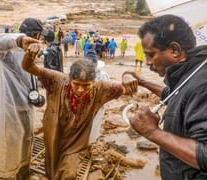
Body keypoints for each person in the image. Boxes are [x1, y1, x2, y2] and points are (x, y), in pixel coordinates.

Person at [126, 15, 207, 179]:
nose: (147, 62)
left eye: (150, 55)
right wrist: (143, 82)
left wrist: (153, 132)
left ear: (175, 50)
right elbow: (177, 96)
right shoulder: (193, 74)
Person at [21, 40, 138, 180]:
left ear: (93, 82)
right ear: (70, 78)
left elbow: (130, 88)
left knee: (69, 174)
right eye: (76, 84)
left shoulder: (102, 88)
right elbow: (29, 67)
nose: (80, 90)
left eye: (86, 85)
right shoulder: (57, 79)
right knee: (51, 167)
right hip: (54, 133)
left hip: (78, 141)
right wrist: (29, 54)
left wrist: (127, 75)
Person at [0, 17, 47, 179]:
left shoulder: (31, 52)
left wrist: (36, 94)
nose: (41, 38)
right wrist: (19, 40)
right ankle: (5, 175)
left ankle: (23, 170)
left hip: (26, 105)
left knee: (26, 139)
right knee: (9, 143)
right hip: (10, 106)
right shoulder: (8, 51)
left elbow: (29, 76)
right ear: (35, 34)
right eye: (40, 35)